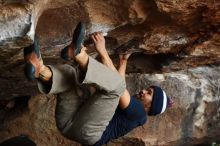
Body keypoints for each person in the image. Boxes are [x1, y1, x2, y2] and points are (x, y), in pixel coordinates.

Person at [23, 22, 173, 146]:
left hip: (90, 133)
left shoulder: (140, 114)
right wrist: (123, 62)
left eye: (149, 94)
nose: (144, 91)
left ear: (150, 107)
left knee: (116, 86)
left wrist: (102, 51)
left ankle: (78, 53)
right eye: (148, 89)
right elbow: (117, 83)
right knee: (70, 75)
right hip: (69, 124)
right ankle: (39, 69)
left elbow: (119, 87)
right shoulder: (133, 110)